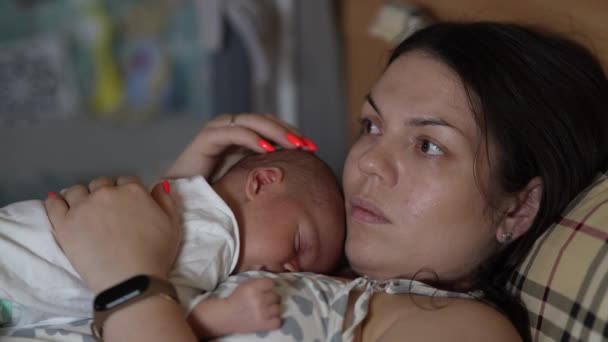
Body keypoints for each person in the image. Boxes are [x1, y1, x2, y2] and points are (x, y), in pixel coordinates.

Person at [42, 21, 608, 342]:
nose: (366, 163)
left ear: (517, 208)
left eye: (429, 145)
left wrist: (129, 283)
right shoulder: (309, 263)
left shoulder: (466, 332)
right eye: (371, 125)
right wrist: (189, 206)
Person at [0, 149, 345, 339]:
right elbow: (158, 302)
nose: (291, 270)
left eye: (306, 271)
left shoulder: (189, 195)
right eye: (300, 244)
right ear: (262, 182)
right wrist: (224, 316)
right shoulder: (218, 235)